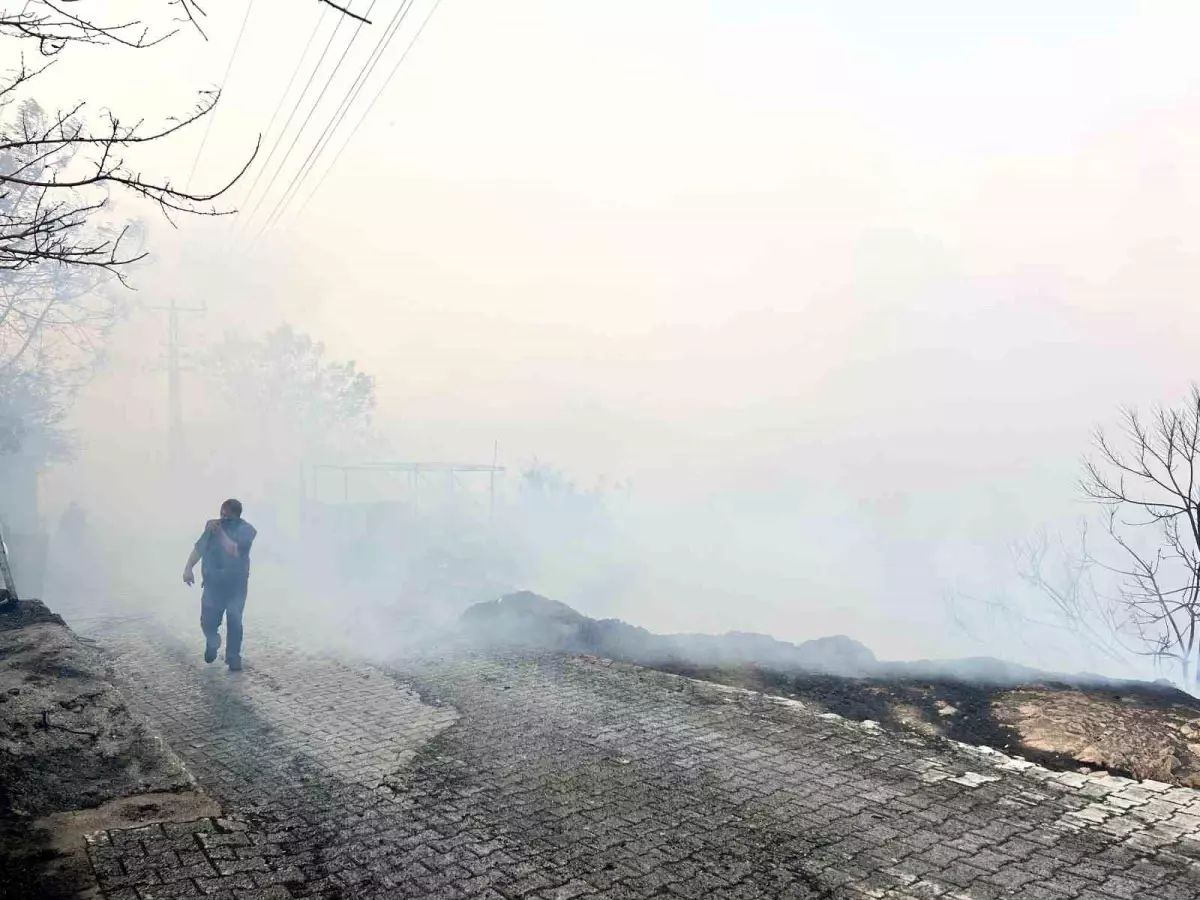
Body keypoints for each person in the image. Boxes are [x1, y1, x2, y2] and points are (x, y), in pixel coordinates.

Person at [183, 499, 257, 671]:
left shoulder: (246, 531)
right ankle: (212, 641)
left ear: (237, 517)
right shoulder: (213, 527)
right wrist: (188, 567)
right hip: (213, 584)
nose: (223, 519)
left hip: (235, 585)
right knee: (207, 621)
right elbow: (199, 548)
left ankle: (233, 657)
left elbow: (235, 550)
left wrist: (221, 533)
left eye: (227, 516)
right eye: (221, 514)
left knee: (234, 619)